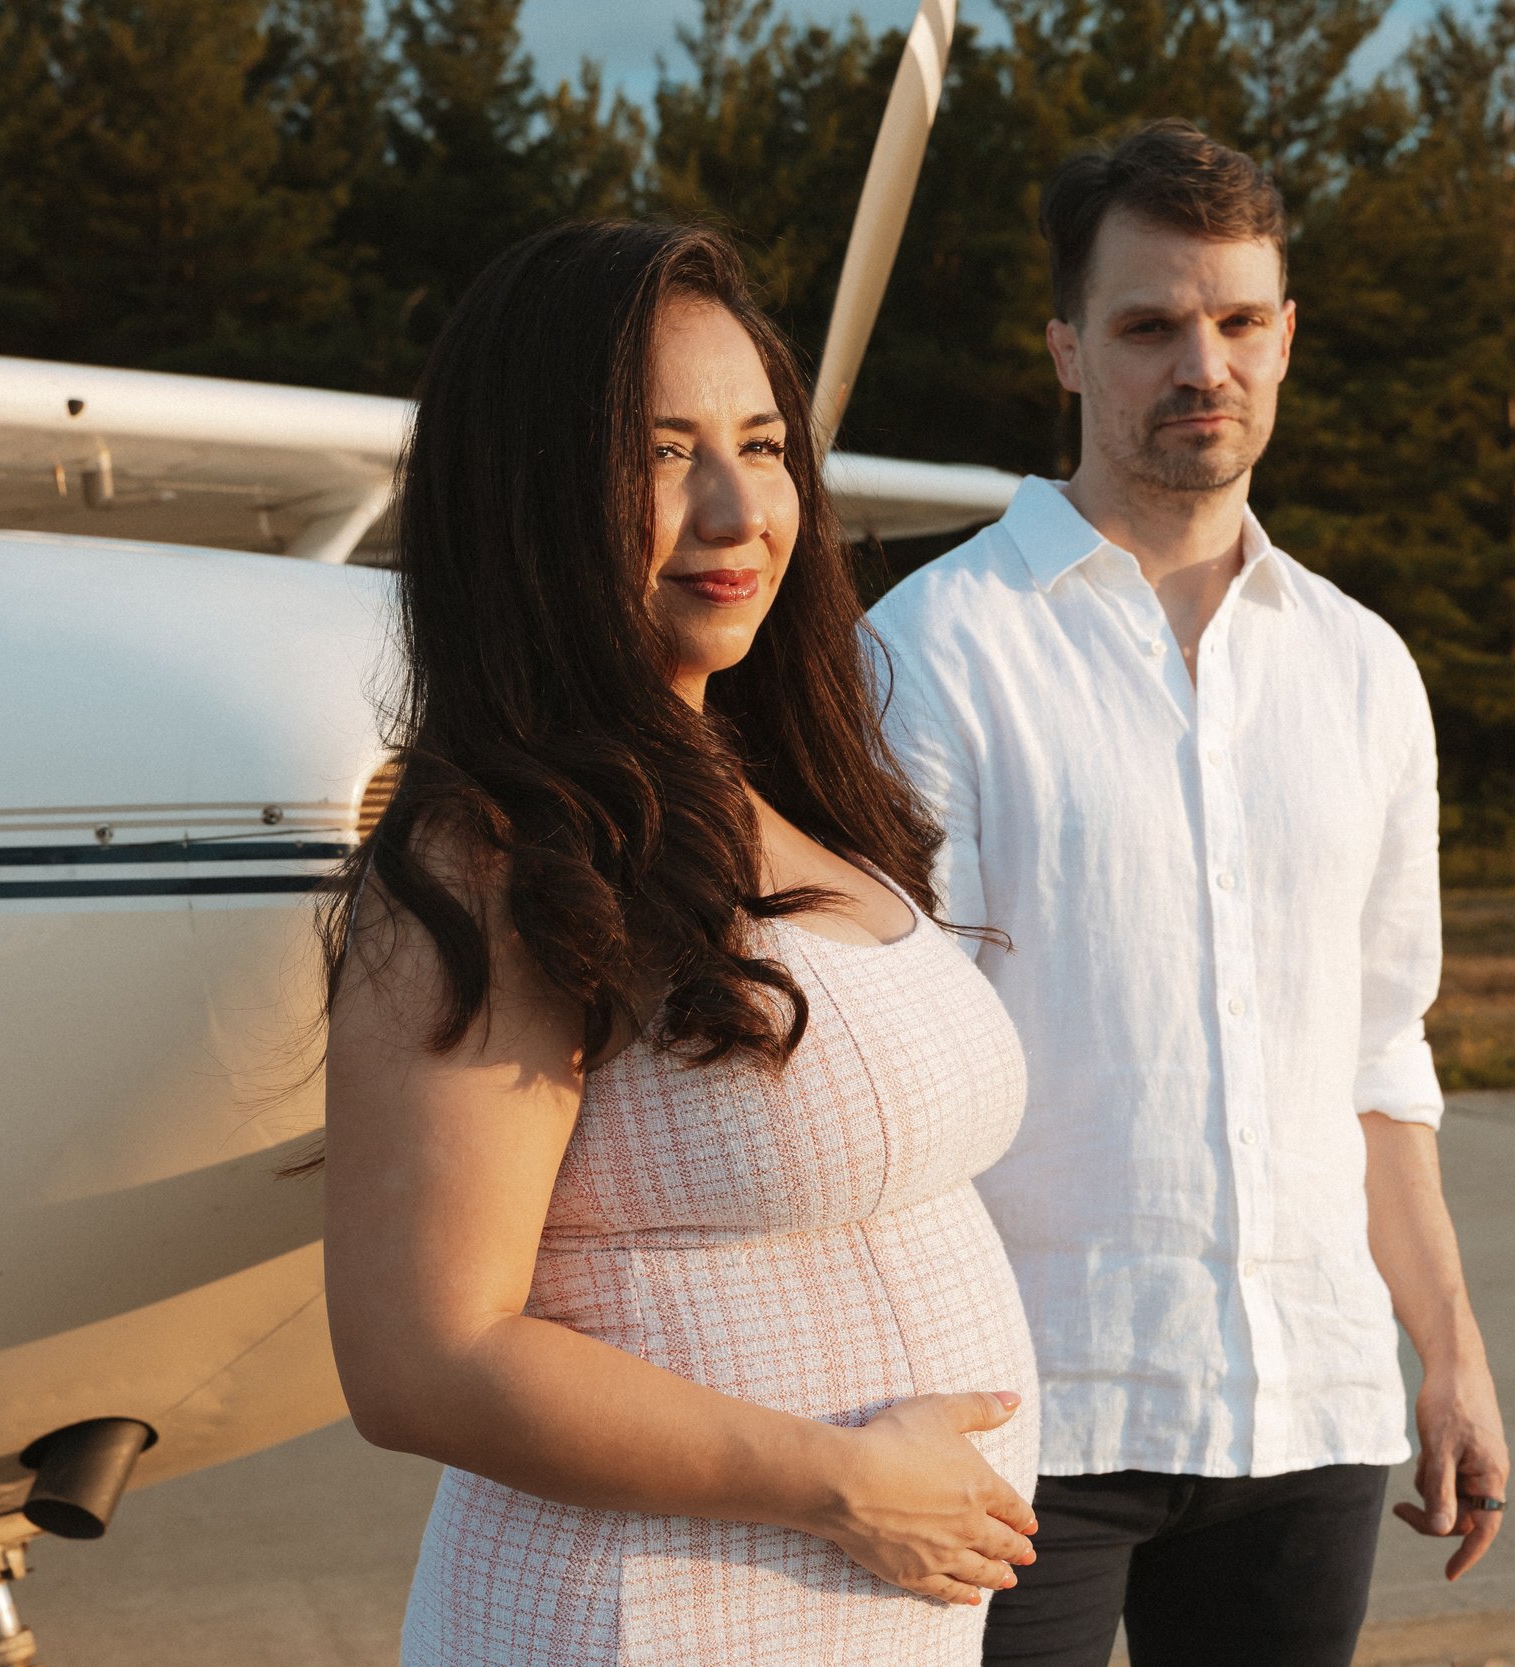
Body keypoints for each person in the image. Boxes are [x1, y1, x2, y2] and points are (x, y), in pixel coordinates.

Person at [318, 219, 1042, 1667]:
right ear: (531, 497)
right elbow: (420, 1362)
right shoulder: (492, 863)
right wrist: (839, 1483)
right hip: (648, 1622)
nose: (736, 509)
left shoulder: (780, 789)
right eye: (661, 454)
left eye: (765, 445)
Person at [868, 121, 1511, 1667]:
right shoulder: (929, 651)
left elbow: (1379, 1057)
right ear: (1070, 351)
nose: (1200, 364)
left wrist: (1452, 1353)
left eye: (1235, 322)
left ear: (1285, 337)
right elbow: (883, 1081)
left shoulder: (1364, 669)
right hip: (1026, 1417)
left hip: (1311, 1404)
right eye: (1150, 325)